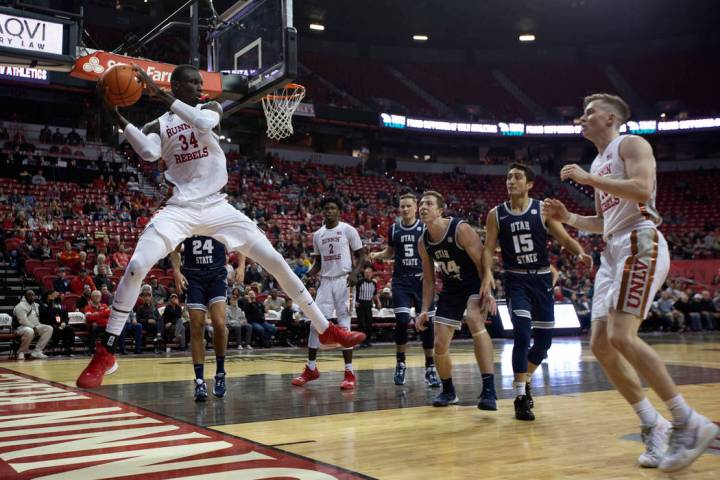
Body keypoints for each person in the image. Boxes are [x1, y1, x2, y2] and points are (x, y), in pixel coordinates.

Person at [77, 64, 364, 388]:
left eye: (201, 81)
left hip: (217, 205)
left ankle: (325, 328)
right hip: (181, 208)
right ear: (178, 84)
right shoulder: (159, 123)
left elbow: (201, 122)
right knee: (138, 265)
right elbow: (148, 152)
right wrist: (114, 112)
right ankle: (108, 351)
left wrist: (159, 95)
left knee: (274, 260)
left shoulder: (209, 108)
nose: (201, 86)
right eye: (193, 82)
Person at [542, 93, 718, 471]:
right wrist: (569, 216)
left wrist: (588, 180)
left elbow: (641, 189)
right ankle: (653, 424)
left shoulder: (631, 144)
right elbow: (605, 221)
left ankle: (688, 421)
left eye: (588, 113)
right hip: (614, 247)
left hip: (642, 240)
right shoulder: (598, 161)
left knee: (622, 336)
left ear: (609, 118)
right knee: (602, 345)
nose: (581, 119)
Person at [483, 163, 592, 421]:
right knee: (521, 333)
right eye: (508, 176)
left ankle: (526, 378)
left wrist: (580, 252)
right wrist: (487, 273)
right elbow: (488, 248)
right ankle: (521, 396)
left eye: (517, 177)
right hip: (516, 280)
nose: (511, 181)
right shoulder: (496, 214)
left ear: (529, 184)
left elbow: (564, 239)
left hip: (542, 280)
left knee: (544, 342)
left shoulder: (542, 210)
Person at [415, 191, 498, 409]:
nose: (423, 207)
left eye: (429, 204)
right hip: (452, 288)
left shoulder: (460, 229)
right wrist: (424, 309)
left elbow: (482, 263)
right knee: (439, 343)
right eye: (421, 204)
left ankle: (489, 389)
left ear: (440, 210)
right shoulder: (423, 241)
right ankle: (448, 390)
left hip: (474, 282)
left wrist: (487, 291)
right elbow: (429, 281)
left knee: (474, 319)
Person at [292, 197, 366, 390]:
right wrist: (307, 276)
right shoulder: (318, 235)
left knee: (345, 327)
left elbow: (362, 254)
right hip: (325, 282)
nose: (329, 211)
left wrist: (356, 273)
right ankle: (311, 368)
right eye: (326, 208)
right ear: (322, 212)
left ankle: (349, 372)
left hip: (344, 281)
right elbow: (317, 263)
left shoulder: (348, 230)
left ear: (339, 211)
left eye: (333, 208)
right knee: (315, 325)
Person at [369, 192, 439, 387]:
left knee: (427, 324)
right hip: (400, 280)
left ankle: (430, 367)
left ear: (416, 207)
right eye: (402, 206)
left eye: (409, 206)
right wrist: (378, 255)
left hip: (421, 280)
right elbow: (390, 252)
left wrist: (437, 264)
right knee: (401, 321)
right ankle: (400, 363)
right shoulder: (394, 229)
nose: (405, 209)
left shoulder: (425, 227)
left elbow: (433, 251)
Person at [171, 235, 238, 401]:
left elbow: (241, 240)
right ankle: (200, 381)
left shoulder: (217, 217)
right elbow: (175, 249)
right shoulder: (187, 221)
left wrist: (242, 266)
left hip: (216, 275)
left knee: (220, 323)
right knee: (196, 326)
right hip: (193, 277)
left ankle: (220, 373)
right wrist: (176, 271)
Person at [13, 290, 53, 360]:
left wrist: (50, 302)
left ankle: (37, 351)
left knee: (49, 328)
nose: (32, 297)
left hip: (35, 326)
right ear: (25, 297)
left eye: (33, 295)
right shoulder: (20, 306)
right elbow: (22, 321)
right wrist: (33, 327)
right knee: (29, 330)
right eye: (30, 295)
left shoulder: (35, 305)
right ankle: (21, 352)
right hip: (21, 327)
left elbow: (43, 313)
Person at [39, 289, 75, 356]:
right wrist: (57, 323)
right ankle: (53, 347)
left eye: (62, 295)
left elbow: (64, 317)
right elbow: (49, 315)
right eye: (60, 295)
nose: (62, 296)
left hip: (59, 324)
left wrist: (64, 322)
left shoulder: (61, 305)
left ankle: (68, 348)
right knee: (57, 330)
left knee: (69, 329)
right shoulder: (44, 304)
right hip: (49, 323)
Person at [354, 266, 380, 348]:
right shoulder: (359, 282)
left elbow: (375, 294)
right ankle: (362, 341)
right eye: (366, 273)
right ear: (364, 274)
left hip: (369, 304)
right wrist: (354, 301)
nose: (368, 274)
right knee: (362, 323)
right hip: (360, 304)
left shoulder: (374, 283)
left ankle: (368, 340)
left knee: (369, 322)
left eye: (369, 272)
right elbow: (354, 292)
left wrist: (378, 302)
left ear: (372, 273)